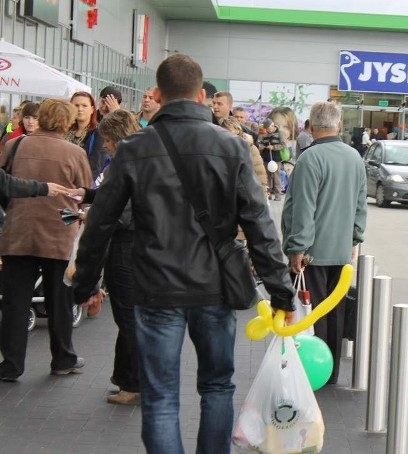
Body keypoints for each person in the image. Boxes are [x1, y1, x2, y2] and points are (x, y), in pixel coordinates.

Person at [71, 54, 295, 453]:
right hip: (215, 288)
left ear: (157, 94)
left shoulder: (135, 148)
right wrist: (281, 292)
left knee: (159, 396)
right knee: (217, 387)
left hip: (156, 288)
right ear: (202, 93)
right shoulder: (231, 147)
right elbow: (260, 226)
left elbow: (101, 221)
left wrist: (84, 283)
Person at [0, 98, 93, 382]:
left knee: (15, 302)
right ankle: (63, 358)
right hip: (59, 232)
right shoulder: (75, 152)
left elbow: (3, 185)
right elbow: (85, 193)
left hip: (18, 230)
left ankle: (11, 364)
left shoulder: (14, 146)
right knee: (59, 300)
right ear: (66, 122)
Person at [282, 100, 367, 385]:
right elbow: (360, 204)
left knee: (312, 313)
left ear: (311, 125)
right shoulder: (354, 157)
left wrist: (297, 248)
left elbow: (303, 208)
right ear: (339, 125)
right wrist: (355, 237)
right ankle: (332, 372)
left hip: (312, 253)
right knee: (335, 312)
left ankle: (314, 370)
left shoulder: (310, 158)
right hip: (341, 250)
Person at [68, 110, 142, 405]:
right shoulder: (144, 157)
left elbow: (120, 210)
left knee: (128, 318)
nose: (105, 147)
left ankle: (134, 383)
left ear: (115, 138)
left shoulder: (125, 163)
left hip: (125, 248)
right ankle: (126, 378)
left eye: (107, 141)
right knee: (131, 317)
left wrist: (93, 212)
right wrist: (87, 194)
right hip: (139, 246)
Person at [67, 91, 109, 180]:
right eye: (76, 105)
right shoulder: (65, 130)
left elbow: (95, 167)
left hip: (82, 185)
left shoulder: (98, 133)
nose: (80, 109)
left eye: (84, 106)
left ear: (92, 109)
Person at [257, 118, 286, 200]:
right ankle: (268, 194)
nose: (268, 130)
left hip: (276, 158)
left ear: (273, 125)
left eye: (269, 128)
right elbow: (261, 143)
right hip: (266, 157)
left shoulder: (280, 133)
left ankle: (278, 195)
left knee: (276, 177)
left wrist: (273, 147)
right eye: (266, 129)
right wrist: (261, 146)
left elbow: (283, 145)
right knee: (268, 177)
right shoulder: (264, 134)